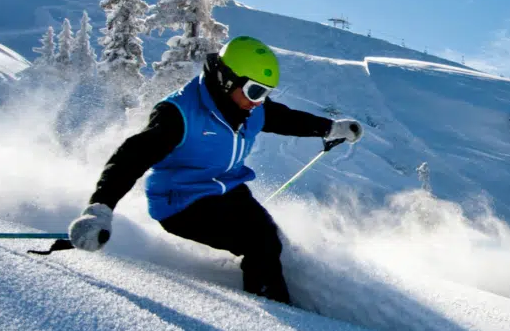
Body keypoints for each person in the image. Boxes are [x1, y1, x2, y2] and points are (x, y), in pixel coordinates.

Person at [66, 35, 361, 303]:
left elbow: (285, 119)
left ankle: (274, 291)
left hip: (227, 189)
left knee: (272, 239)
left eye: (265, 94)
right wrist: (100, 208)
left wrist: (329, 128)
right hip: (181, 202)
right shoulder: (179, 113)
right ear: (225, 79)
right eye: (254, 90)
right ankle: (276, 318)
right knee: (261, 243)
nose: (258, 102)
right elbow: (132, 156)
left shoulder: (250, 108)